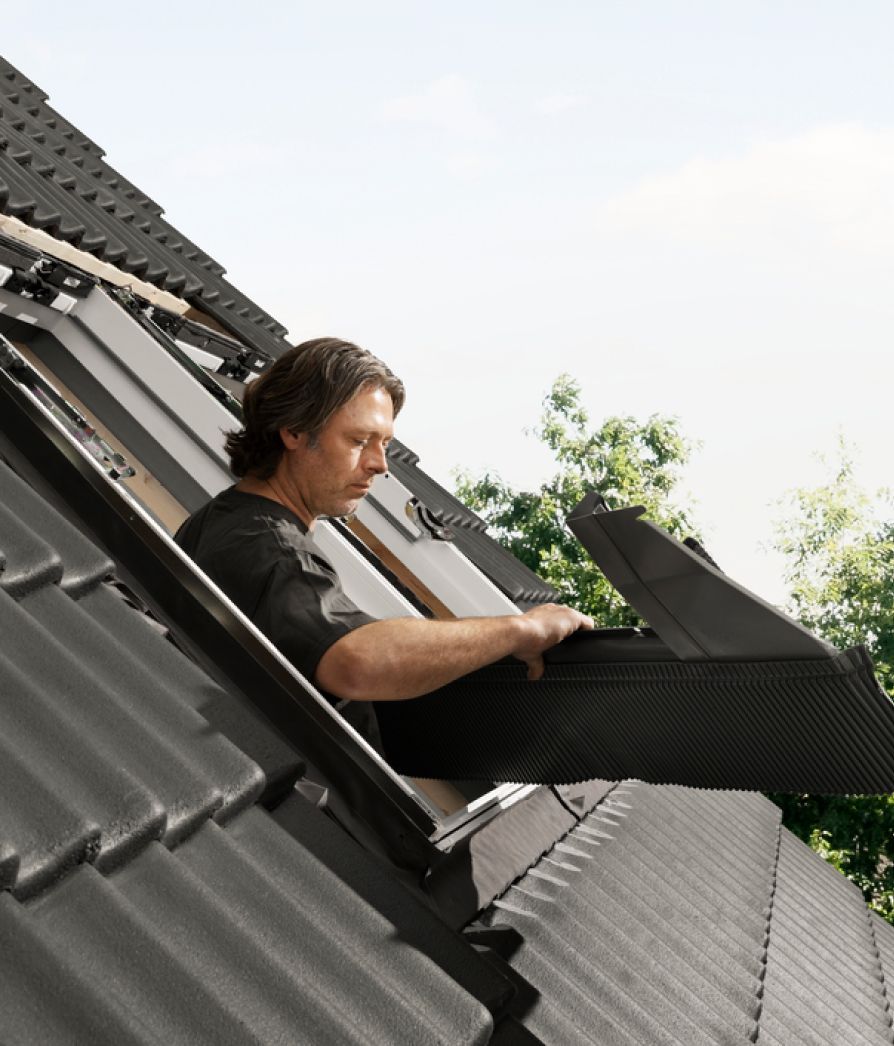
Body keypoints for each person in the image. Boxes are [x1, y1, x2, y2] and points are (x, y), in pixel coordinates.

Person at [175, 337, 593, 706]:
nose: (379, 464)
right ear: (295, 432)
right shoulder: (268, 547)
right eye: (359, 441)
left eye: (385, 443)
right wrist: (523, 630)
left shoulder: (225, 519)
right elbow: (354, 661)